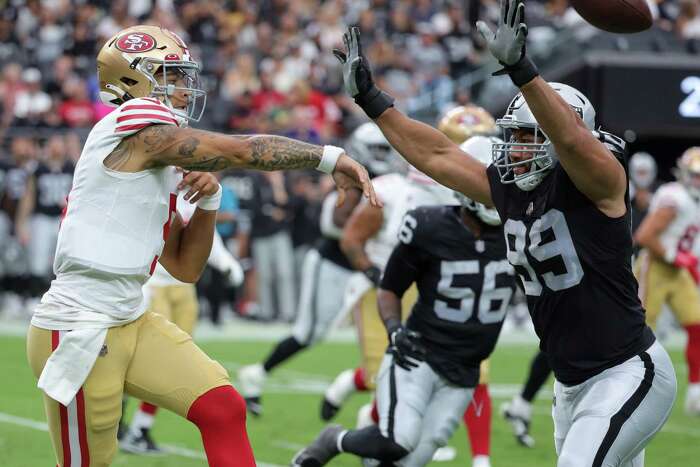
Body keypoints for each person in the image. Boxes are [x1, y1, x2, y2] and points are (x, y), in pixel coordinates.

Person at [332, 1, 677, 463]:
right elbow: (437, 155)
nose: (515, 150)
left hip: (627, 370)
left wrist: (522, 69)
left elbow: (573, 142)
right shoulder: (511, 190)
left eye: (530, 137)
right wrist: (373, 100)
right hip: (572, 383)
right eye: (513, 137)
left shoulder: (601, 182)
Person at [25, 25, 376, 467]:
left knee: (222, 408)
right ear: (133, 81)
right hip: (78, 328)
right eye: (170, 75)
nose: (183, 88)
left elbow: (185, 266)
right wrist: (327, 158)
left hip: (129, 316)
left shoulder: (160, 156)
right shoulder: (128, 123)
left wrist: (209, 201)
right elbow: (243, 151)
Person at [292, 136, 517, 466]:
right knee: (398, 441)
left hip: (465, 370)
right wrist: (395, 328)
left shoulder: (522, 230)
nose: (498, 188)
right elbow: (390, 287)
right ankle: (335, 440)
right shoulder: (430, 224)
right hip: (418, 355)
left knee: (408, 462)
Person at [237, 123, 395, 416]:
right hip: (332, 264)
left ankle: (365, 398)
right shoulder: (348, 179)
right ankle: (256, 374)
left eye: (384, 149)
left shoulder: (387, 181)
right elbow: (331, 224)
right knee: (309, 333)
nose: (381, 156)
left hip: (362, 270)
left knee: (383, 335)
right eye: (376, 149)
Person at [119, 189, 244, 454]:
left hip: (184, 286)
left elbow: (204, 233)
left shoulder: (197, 189)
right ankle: (127, 418)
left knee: (176, 357)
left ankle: (139, 427)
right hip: (154, 283)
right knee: (154, 360)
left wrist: (225, 262)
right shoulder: (156, 183)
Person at [634, 147, 700, 415]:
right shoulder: (676, 197)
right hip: (656, 269)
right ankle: (633, 387)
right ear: (684, 175)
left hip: (677, 272)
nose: (698, 181)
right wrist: (676, 257)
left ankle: (696, 391)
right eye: (695, 175)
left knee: (697, 326)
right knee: (640, 333)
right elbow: (644, 236)